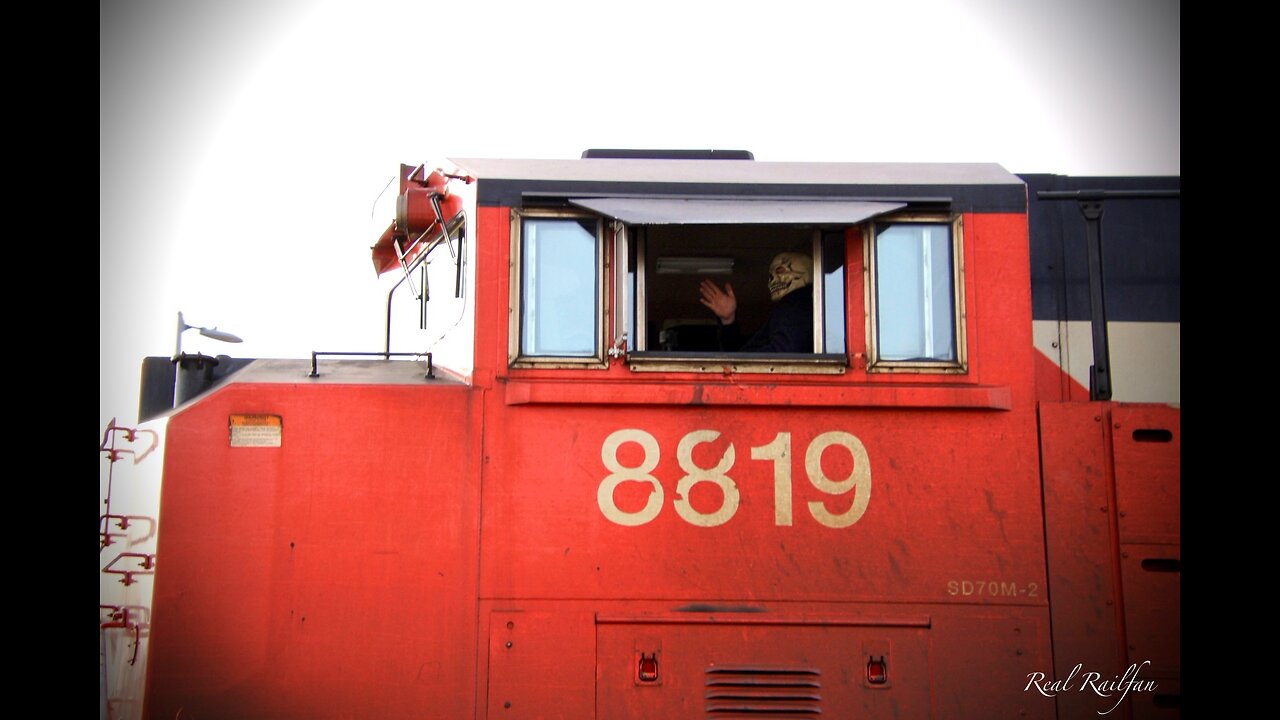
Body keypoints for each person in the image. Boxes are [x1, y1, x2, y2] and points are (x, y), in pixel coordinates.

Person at [698, 252, 814, 353]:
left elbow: (783, 353)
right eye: (770, 276)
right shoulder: (795, 306)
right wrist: (728, 320)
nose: (773, 280)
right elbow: (738, 357)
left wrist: (744, 361)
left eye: (780, 271)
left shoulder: (796, 303)